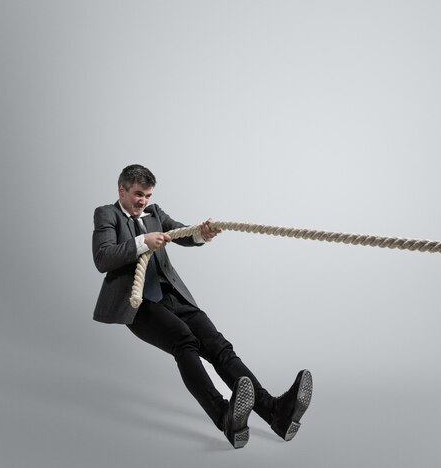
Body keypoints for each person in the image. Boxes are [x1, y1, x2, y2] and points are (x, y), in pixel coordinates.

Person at [92, 164, 313, 449]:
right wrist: (141, 242)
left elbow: (182, 233)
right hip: (139, 306)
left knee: (219, 346)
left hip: (174, 296)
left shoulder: (155, 214)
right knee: (184, 341)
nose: (142, 201)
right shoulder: (106, 214)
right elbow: (103, 257)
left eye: (147, 195)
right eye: (137, 194)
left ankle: (276, 414)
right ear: (121, 189)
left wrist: (202, 233)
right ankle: (224, 417)